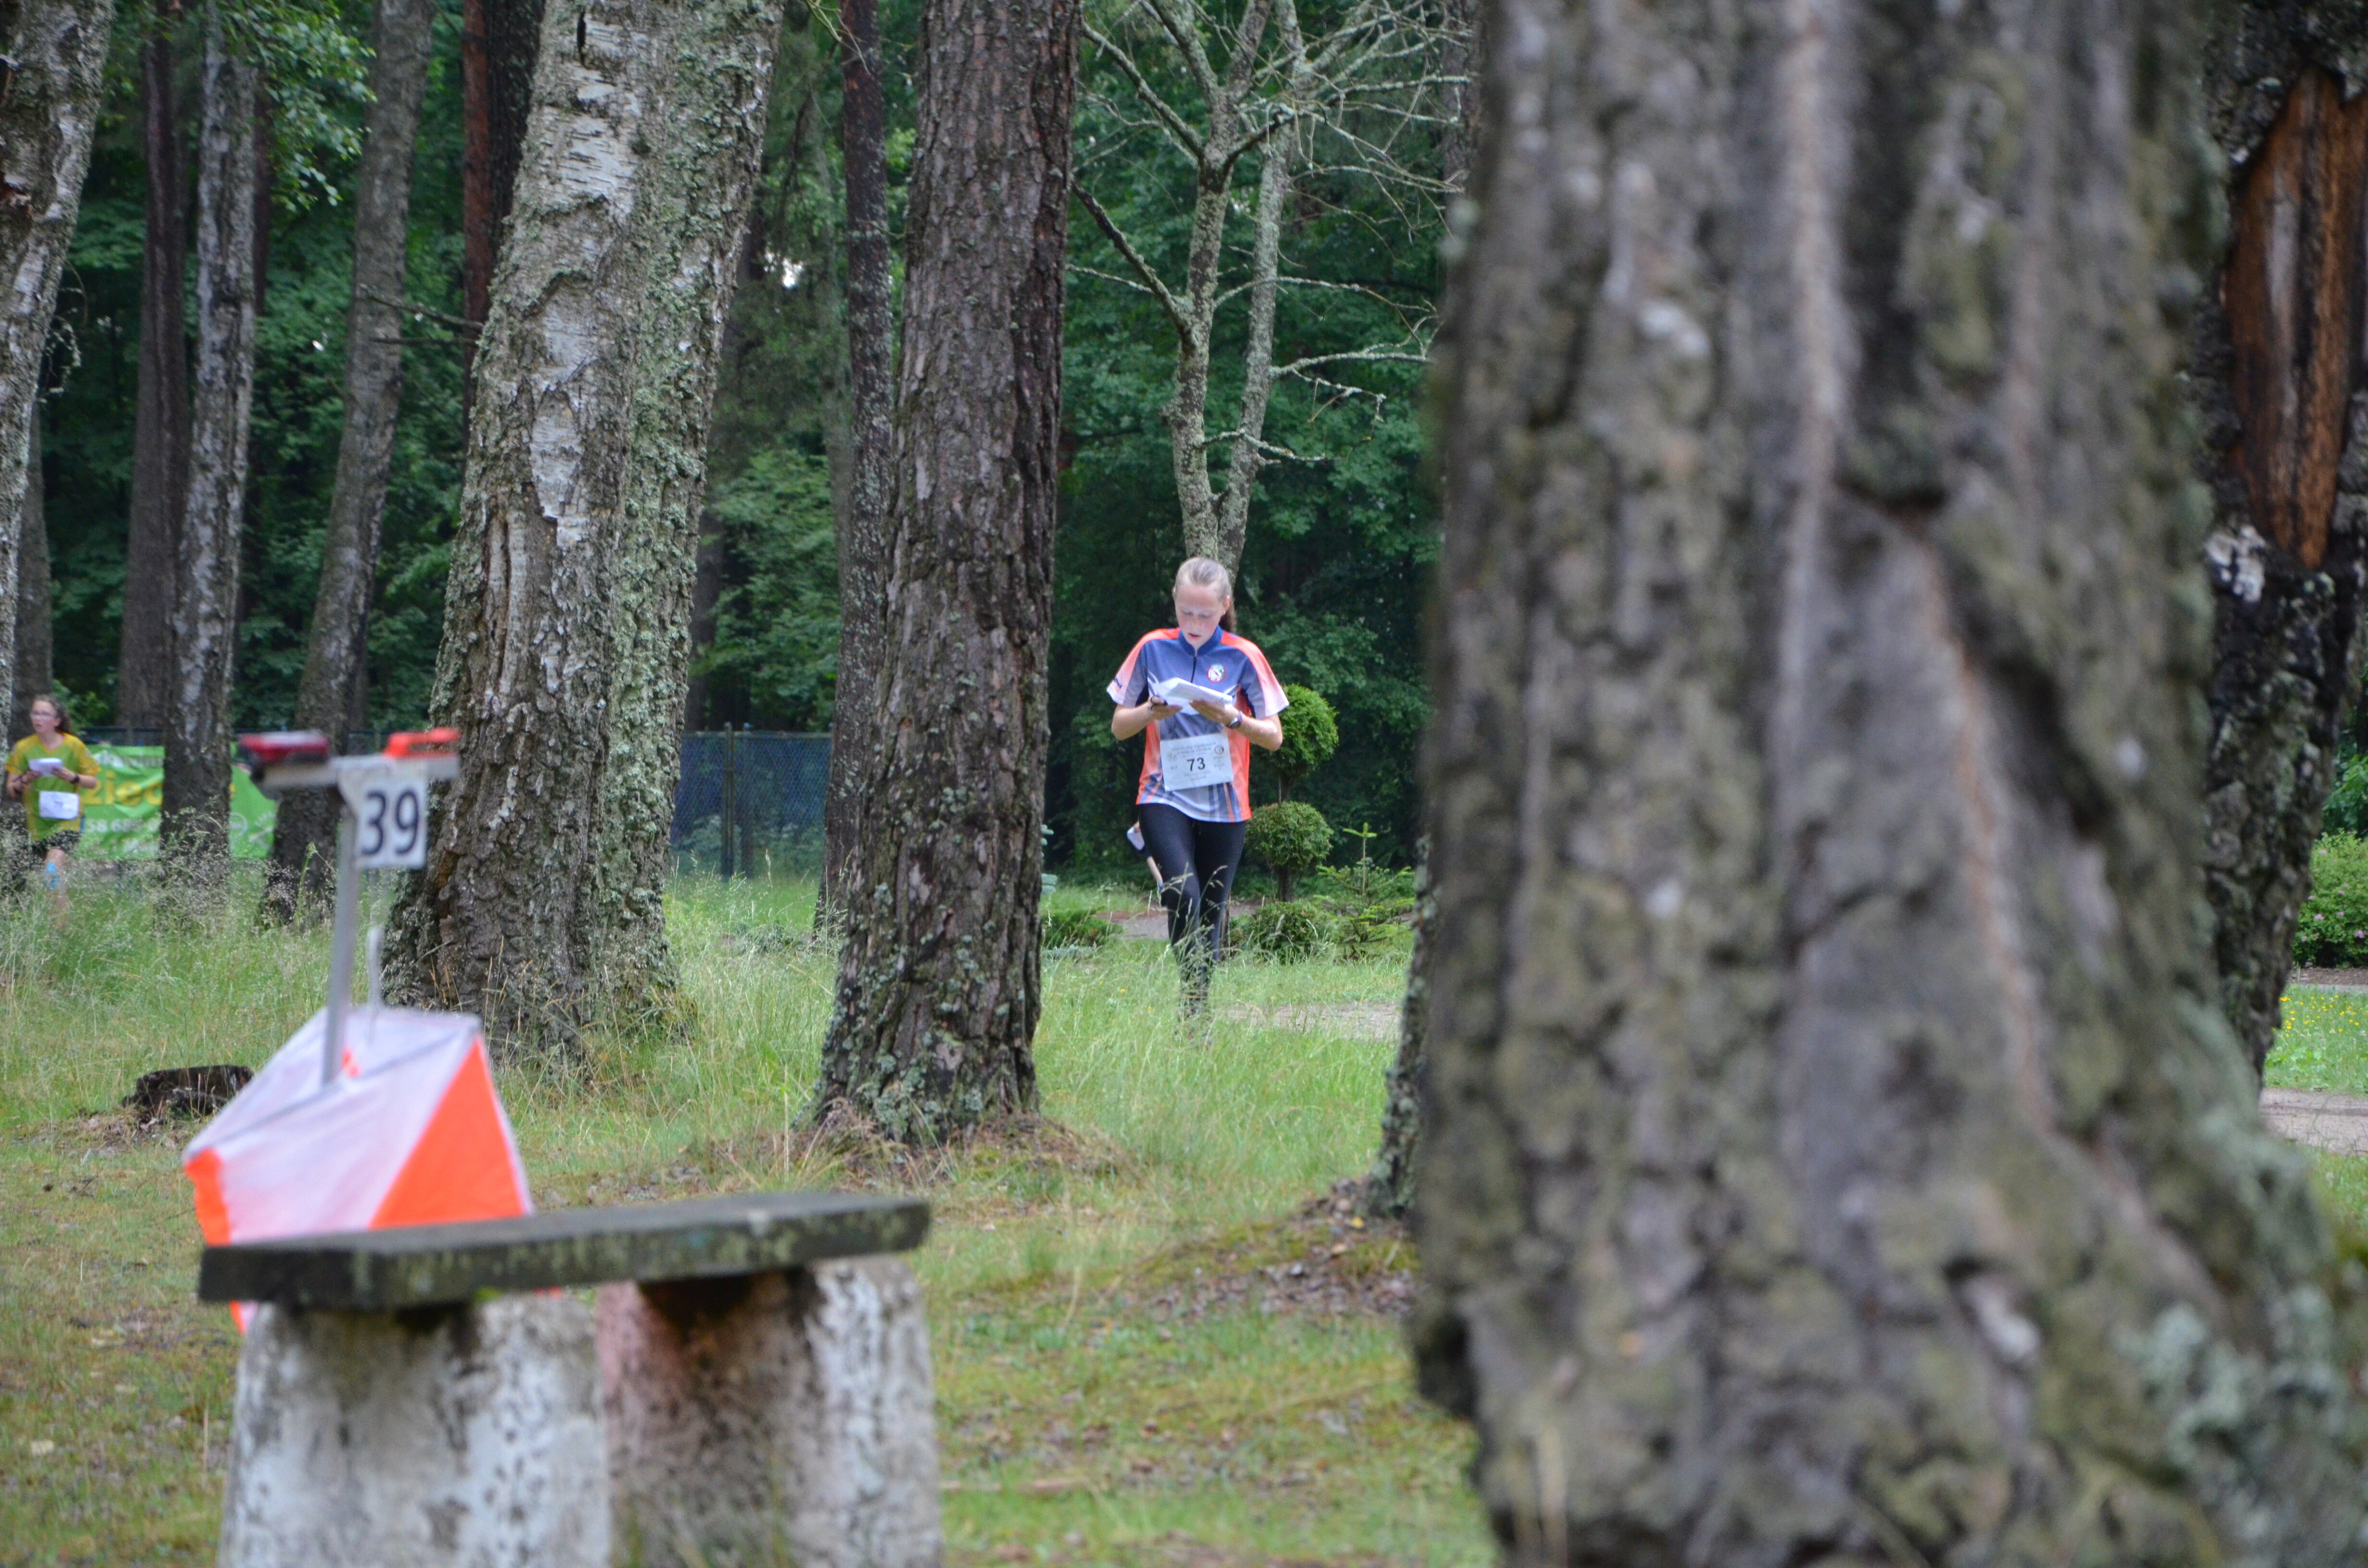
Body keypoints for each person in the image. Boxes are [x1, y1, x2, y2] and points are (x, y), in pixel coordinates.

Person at [1108, 557, 1286, 1011]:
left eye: (1205, 615)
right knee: (1183, 893)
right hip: (1162, 794)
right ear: (1174, 601)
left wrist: (1233, 718)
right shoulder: (1151, 648)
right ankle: (1194, 999)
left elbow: (1274, 737)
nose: (1194, 624)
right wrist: (1150, 712)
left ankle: (1195, 1009)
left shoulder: (1244, 655)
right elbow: (1119, 727)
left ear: (1225, 606)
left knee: (1210, 909)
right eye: (1186, 612)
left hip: (1226, 802)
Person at [6, 694, 99, 910]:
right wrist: (25, 780)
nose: (38, 718)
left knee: (52, 870)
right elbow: (11, 788)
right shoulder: (23, 748)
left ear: (57, 721)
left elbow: (93, 782)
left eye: (44, 714)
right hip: (38, 822)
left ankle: (59, 925)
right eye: (35, 713)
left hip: (68, 819)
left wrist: (73, 777)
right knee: (37, 881)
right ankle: (59, 921)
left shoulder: (74, 745)